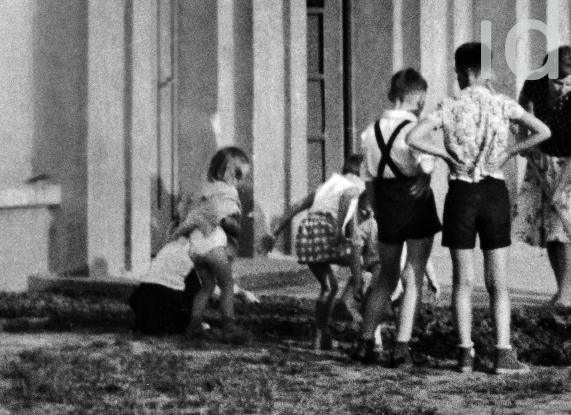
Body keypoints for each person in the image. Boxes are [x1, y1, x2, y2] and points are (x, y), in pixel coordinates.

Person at [415, 41, 551, 375]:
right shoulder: (501, 104)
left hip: (461, 192)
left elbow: (414, 138)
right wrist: (510, 152)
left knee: (463, 280)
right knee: (498, 281)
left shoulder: (449, 104)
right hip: (493, 190)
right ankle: (503, 353)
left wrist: (445, 155)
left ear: (462, 71)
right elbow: (543, 131)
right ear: (486, 70)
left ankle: (465, 353)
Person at [351, 69, 441, 367]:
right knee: (413, 276)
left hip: (386, 204)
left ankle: (365, 342)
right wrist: (426, 178)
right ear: (417, 96)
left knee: (385, 278)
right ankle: (401, 349)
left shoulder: (369, 132)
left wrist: (378, 209)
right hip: (414, 201)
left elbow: (368, 179)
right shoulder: (415, 129)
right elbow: (427, 165)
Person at [513, 46, 571, 308]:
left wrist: (561, 189)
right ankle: (563, 289)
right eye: (556, 81)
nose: (561, 88)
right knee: (549, 230)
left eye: (568, 83)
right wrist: (525, 143)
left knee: (565, 228)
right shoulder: (533, 85)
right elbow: (524, 116)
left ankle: (565, 293)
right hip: (542, 159)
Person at [267, 153, 368, 351]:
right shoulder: (356, 184)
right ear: (361, 171)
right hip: (327, 228)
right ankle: (348, 300)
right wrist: (341, 227)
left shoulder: (327, 185)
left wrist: (275, 232)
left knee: (328, 287)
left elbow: (297, 206)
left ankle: (320, 338)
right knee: (363, 259)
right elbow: (348, 198)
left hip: (307, 232)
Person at [172, 146, 252, 339]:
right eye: (239, 175)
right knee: (227, 285)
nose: (240, 181)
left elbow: (186, 212)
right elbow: (227, 220)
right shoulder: (227, 191)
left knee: (206, 287)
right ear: (230, 172)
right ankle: (229, 326)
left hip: (196, 248)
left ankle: (194, 325)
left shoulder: (202, 189)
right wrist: (235, 227)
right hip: (214, 244)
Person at [128, 234, 202, 336]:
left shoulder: (168, 247)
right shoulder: (191, 255)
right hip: (167, 296)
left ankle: (146, 323)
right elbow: (195, 295)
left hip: (142, 293)